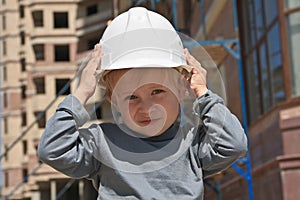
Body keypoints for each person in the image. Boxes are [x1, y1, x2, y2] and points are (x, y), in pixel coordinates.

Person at [38, 7, 247, 200]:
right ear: (113, 101)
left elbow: (234, 144)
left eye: (157, 91)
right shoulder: (102, 142)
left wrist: (203, 93)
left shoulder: (192, 143)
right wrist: (82, 93)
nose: (146, 108)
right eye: (131, 97)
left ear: (183, 89)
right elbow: (53, 150)